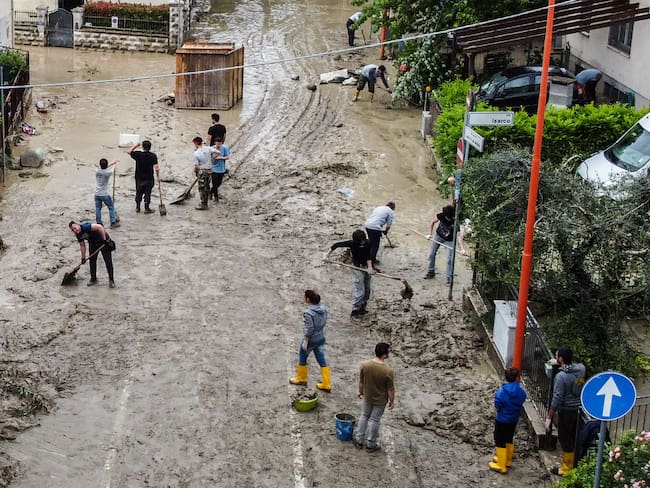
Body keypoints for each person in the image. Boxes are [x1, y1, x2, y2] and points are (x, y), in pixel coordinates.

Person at [546, 346, 586, 476]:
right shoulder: (581, 369)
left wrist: (549, 417)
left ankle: (567, 468)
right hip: (578, 409)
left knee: (565, 439)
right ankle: (577, 463)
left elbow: (557, 397)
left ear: (561, 359)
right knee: (575, 437)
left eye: (557, 356)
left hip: (566, 411)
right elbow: (578, 383)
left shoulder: (560, 377)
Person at [353, 342, 395, 453]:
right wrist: (392, 401)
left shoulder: (365, 365)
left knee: (364, 416)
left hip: (368, 396)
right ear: (384, 355)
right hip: (380, 400)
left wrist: (360, 392)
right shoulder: (388, 371)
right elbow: (390, 389)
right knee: (375, 420)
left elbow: (361, 382)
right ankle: (371, 444)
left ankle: (359, 439)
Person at [289, 290, 331, 392]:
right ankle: (326, 383)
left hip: (311, 340)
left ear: (308, 299)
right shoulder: (323, 309)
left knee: (302, 356)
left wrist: (306, 339)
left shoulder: (308, 313)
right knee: (321, 359)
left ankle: (302, 378)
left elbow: (310, 328)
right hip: (320, 337)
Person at [327, 229, 374, 317]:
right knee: (360, 290)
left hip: (366, 267)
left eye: (363, 240)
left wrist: (370, 267)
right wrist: (327, 255)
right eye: (361, 241)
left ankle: (363, 307)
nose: (362, 243)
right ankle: (355, 310)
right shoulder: (352, 243)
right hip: (356, 267)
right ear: (356, 240)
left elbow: (368, 256)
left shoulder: (368, 243)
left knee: (367, 289)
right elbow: (335, 245)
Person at [488, 367, 527, 474]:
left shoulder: (502, 391)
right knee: (509, 438)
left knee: (499, 440)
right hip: (513, 419)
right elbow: (523, 398)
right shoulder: (520, 391)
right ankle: (507, 460)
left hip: (502, 419)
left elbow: (497, 405)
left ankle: (501, 465)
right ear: (516, 377)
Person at [424, 204, 467, 282]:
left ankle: (448, 277)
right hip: (438, 236)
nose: (448, 218)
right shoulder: (441, 215)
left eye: (449, 217)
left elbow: (459, 237)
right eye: (447, 217)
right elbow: (432, 222)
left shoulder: (455, 222)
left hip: (449, 240)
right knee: (431, 254)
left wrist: (462, 249)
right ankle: (431, 271)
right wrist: (430, 234)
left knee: (449, 260)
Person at [69, 220, 115, 288]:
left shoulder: (86, 227)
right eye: (73, 230)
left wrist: (104, 240)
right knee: (92, 261)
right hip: (93, 243)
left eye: (75, 228)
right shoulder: (78, 234)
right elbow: (82, 245)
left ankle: (111, 280)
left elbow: (100, 227)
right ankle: (93, 279)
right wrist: (83, 257)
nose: (75, 230)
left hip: (103, 241)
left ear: (77, 225)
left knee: (108, 261)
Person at [127, 140, 159, 214]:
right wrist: (157, 177)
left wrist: (136, 145)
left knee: (138, 192)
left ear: (142, 147)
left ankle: (138, 208)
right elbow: (156, 168)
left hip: (139, 177)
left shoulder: (138, 154)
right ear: (150, 147)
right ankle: (146, 209)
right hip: (149, 178)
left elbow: (129, 151)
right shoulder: (153, 156)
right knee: (148, 193)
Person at [364, 201, 395, 271]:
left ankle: (370, 259)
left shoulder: (379, 207)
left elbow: (376, 218)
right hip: (375, 228)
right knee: (375, 246)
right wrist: (386, 231)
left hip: (367, 225)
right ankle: (371, 264)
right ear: (393, 208)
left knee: (371, 243)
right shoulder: (390, 211)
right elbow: (389, 224)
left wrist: (381, 230)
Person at [192, 136, 217, 210]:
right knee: (207, 186)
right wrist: (212, 159)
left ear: (196, 143)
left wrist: (197, 172)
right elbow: (217, 152)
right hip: (209, 170)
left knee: (202, 188)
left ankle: (204, 204)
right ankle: (205, 202)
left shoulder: (196, 153)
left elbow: (196, 166)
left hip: (202, 171)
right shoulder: (208, 148)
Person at [94, 158, 119, 229]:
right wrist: (114, 164)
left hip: (97, 194)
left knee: (98, 208)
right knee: (111, 207)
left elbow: (104, 167)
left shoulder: (97, 171)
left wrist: (112, 163)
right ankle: (113, 222)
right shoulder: (108, 173)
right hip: (104, 194)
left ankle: (99, 223)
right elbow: (112, 169)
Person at [210, 137, 230, 202]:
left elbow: (227, 157)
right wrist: (214, 157)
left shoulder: (225, 148)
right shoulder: (212, 148)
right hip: (214, 169)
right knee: (214, 184)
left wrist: (219, 158)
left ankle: (210, 192)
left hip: (221, 169)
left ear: (222, 143)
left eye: (220, 144)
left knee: (219, 183)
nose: (218, 145)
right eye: (217, 144)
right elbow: (210, 160)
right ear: (215, 143)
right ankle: (216, 197)